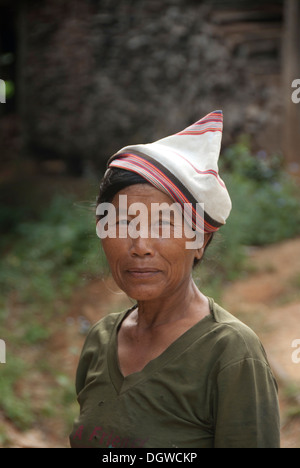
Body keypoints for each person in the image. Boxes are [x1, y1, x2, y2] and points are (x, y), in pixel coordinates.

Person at [70, 111, 280, 448]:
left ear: (200, 242)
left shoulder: (232, 355)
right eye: (123, 223)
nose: (140, 247)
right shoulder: (100, 340)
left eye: (164, 224)